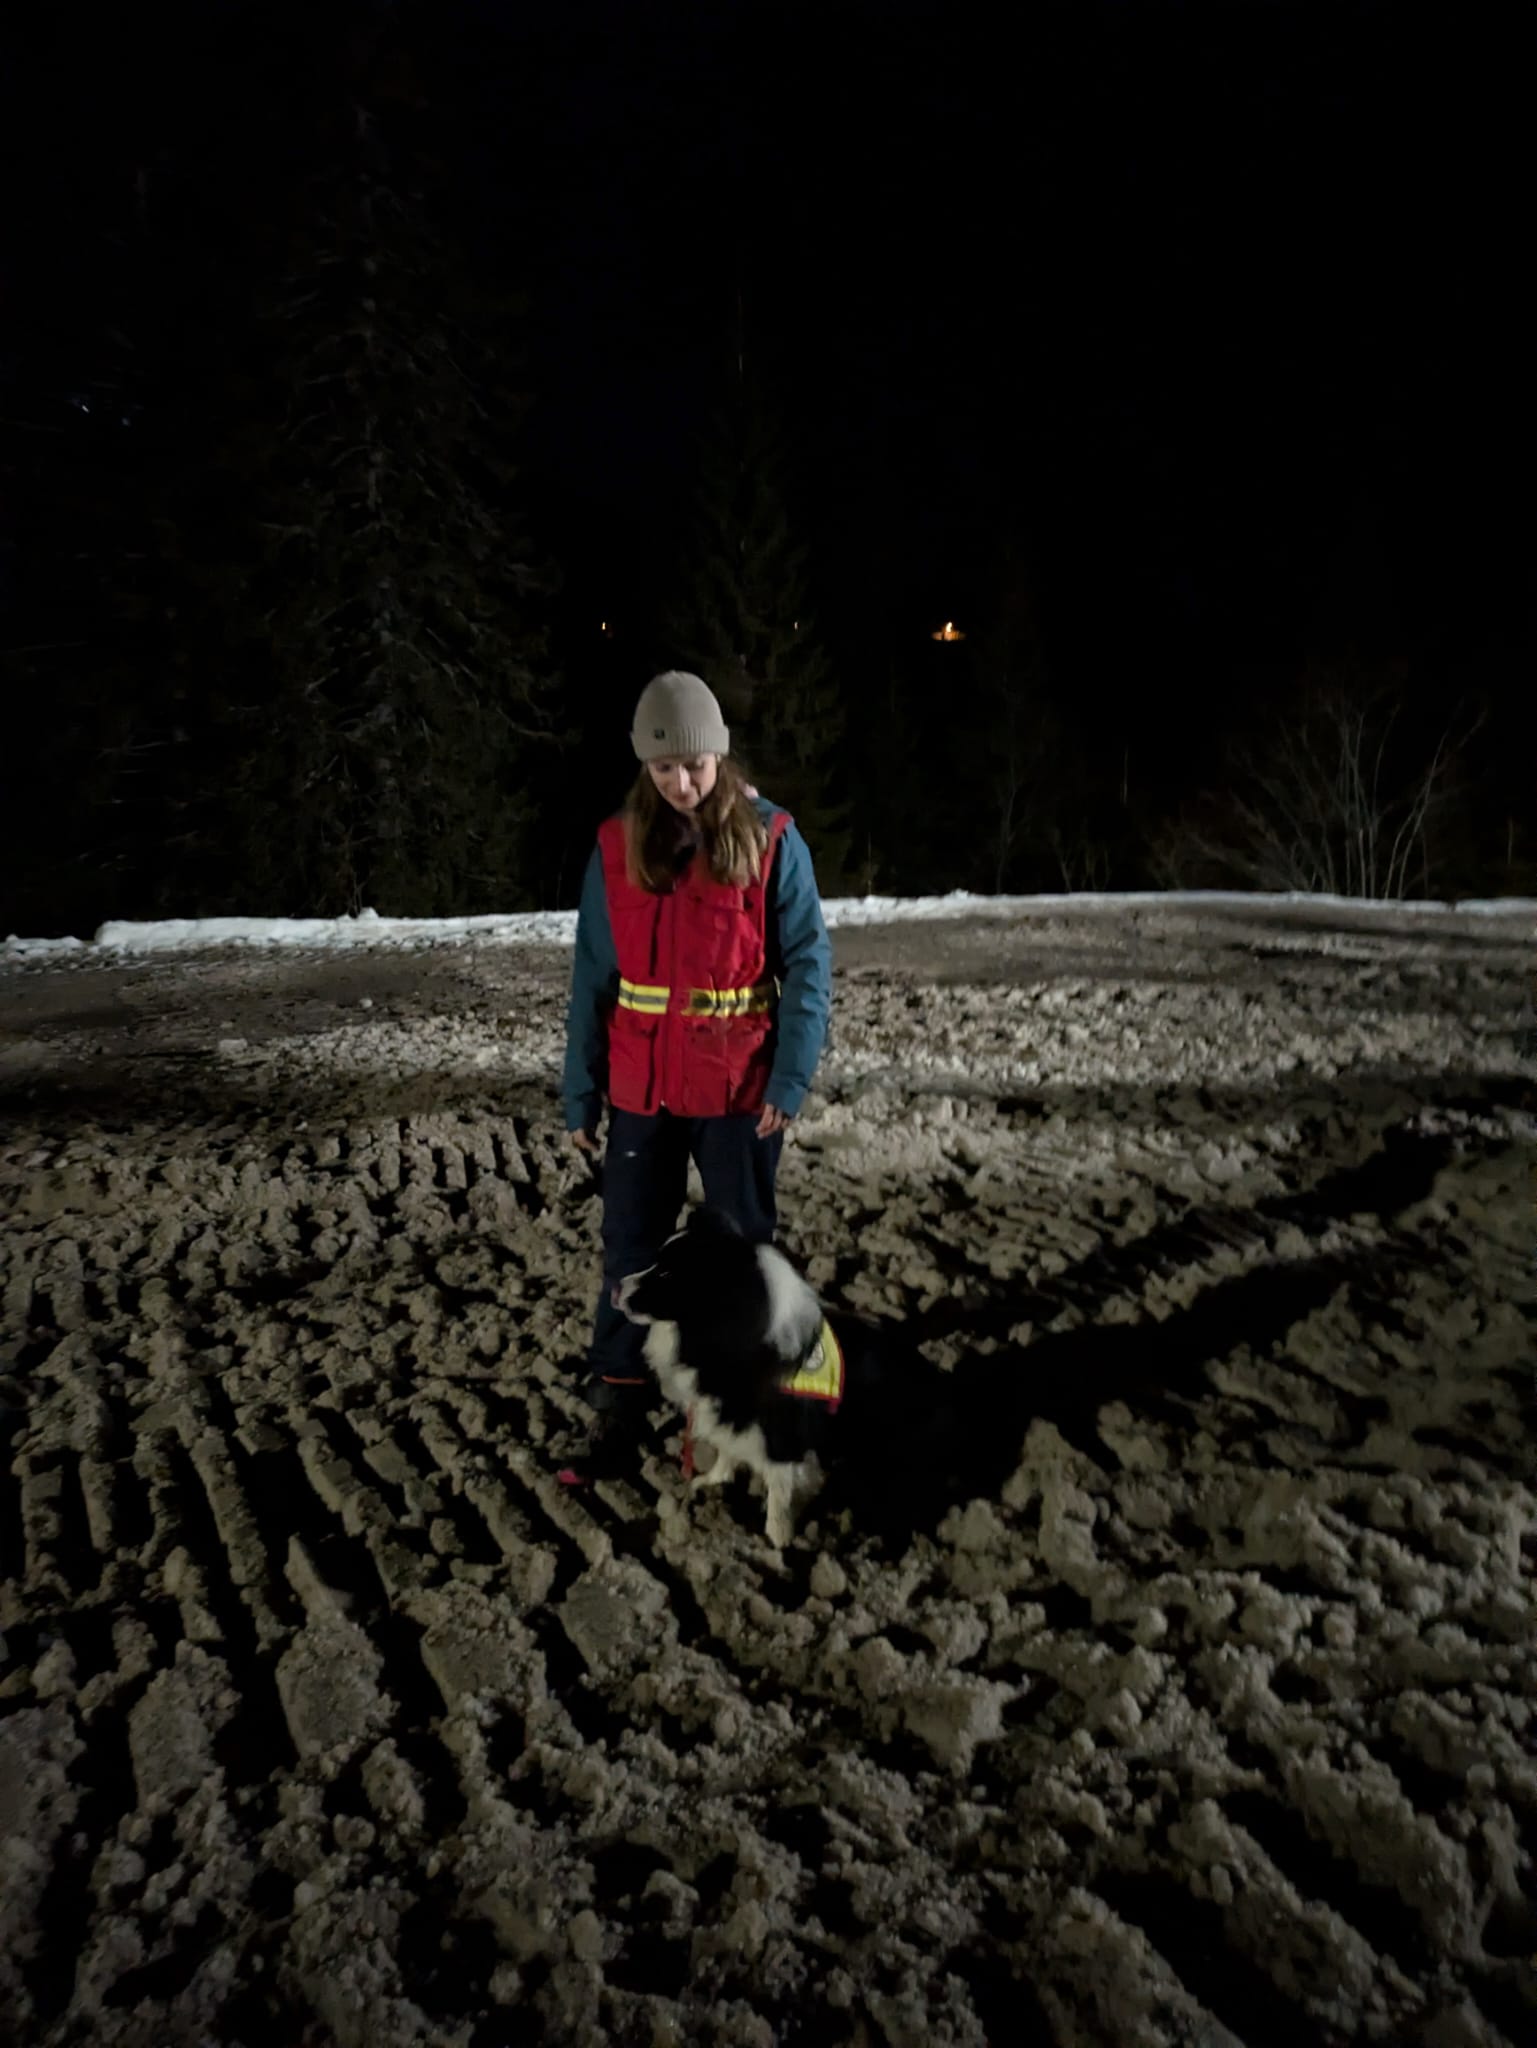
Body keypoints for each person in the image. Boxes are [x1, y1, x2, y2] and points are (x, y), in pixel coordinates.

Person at [561, 670, 833, 1468]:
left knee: (740, 1257)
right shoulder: (615, 846)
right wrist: (580, 1090)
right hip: (641, 1090)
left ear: (719, 755)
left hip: (737, 1090)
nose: (681, 783)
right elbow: (591, 977)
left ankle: (741, 1403)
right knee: (631, 1251)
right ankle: (615, 1401)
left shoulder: (772, 839)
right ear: (644, 767)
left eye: (695, 766)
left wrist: (789, 1078)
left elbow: (808, 966)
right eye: (663, 768)